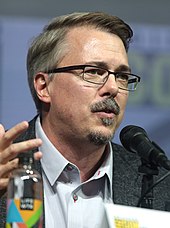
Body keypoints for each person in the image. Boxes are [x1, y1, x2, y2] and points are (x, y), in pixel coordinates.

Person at [0, 11, 170, 228]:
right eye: (93, 72)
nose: (112, 88)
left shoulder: (158, 182)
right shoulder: (5, 168)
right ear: (44, 86)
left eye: (122, 76)